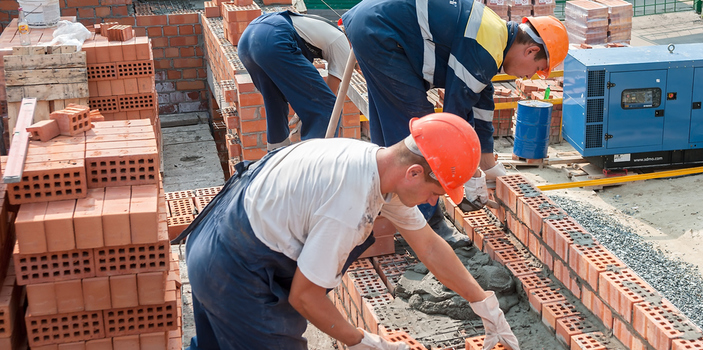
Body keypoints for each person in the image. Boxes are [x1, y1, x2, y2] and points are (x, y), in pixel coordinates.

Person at [178, 113, 520, 350]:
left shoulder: (377, 165)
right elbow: (305, 296)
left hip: (217, 234)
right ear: (415, 173)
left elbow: (429, 245)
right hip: (234, 269)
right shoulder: (350, 203)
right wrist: (361, 340)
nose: (433, 201)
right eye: (437, 192)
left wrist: (483, 302)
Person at [341, 0, 568, 242]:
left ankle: (384, 203)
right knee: (418, 127)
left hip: (371, 24)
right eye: (536, 68)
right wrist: (466, 176)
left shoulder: (495, 37)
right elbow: (451, 120)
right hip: (379, 32)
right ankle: (429, 226)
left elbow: (481, 106)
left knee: (390, 122)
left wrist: (489, 166)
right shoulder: (486, 48)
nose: (529, 76)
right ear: (531, 50)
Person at [238, 11, 351, 151]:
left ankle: (276, 156)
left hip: (248, 39)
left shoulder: (323, 26)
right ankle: (313, 164)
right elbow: (328, 98)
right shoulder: (344, 44)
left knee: (275, 102)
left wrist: (304, 110)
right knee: (326, 108)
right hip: (274, 38)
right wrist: (309, 115)